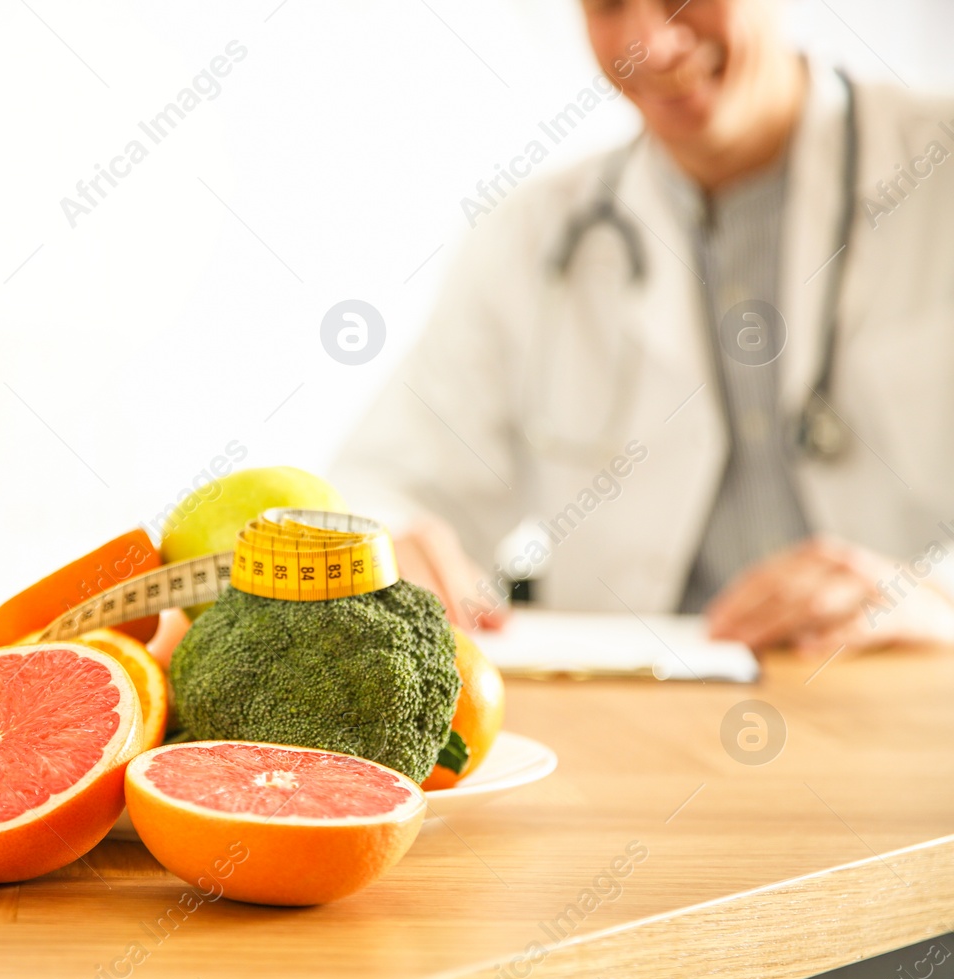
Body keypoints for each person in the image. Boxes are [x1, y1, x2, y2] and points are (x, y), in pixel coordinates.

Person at [333, 0, 954, 655]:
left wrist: (935, 592)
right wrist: (388, 541)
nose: (651, 46)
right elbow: (387, 483)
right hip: (632, 716)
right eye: (608, 6)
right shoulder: (534, 237)